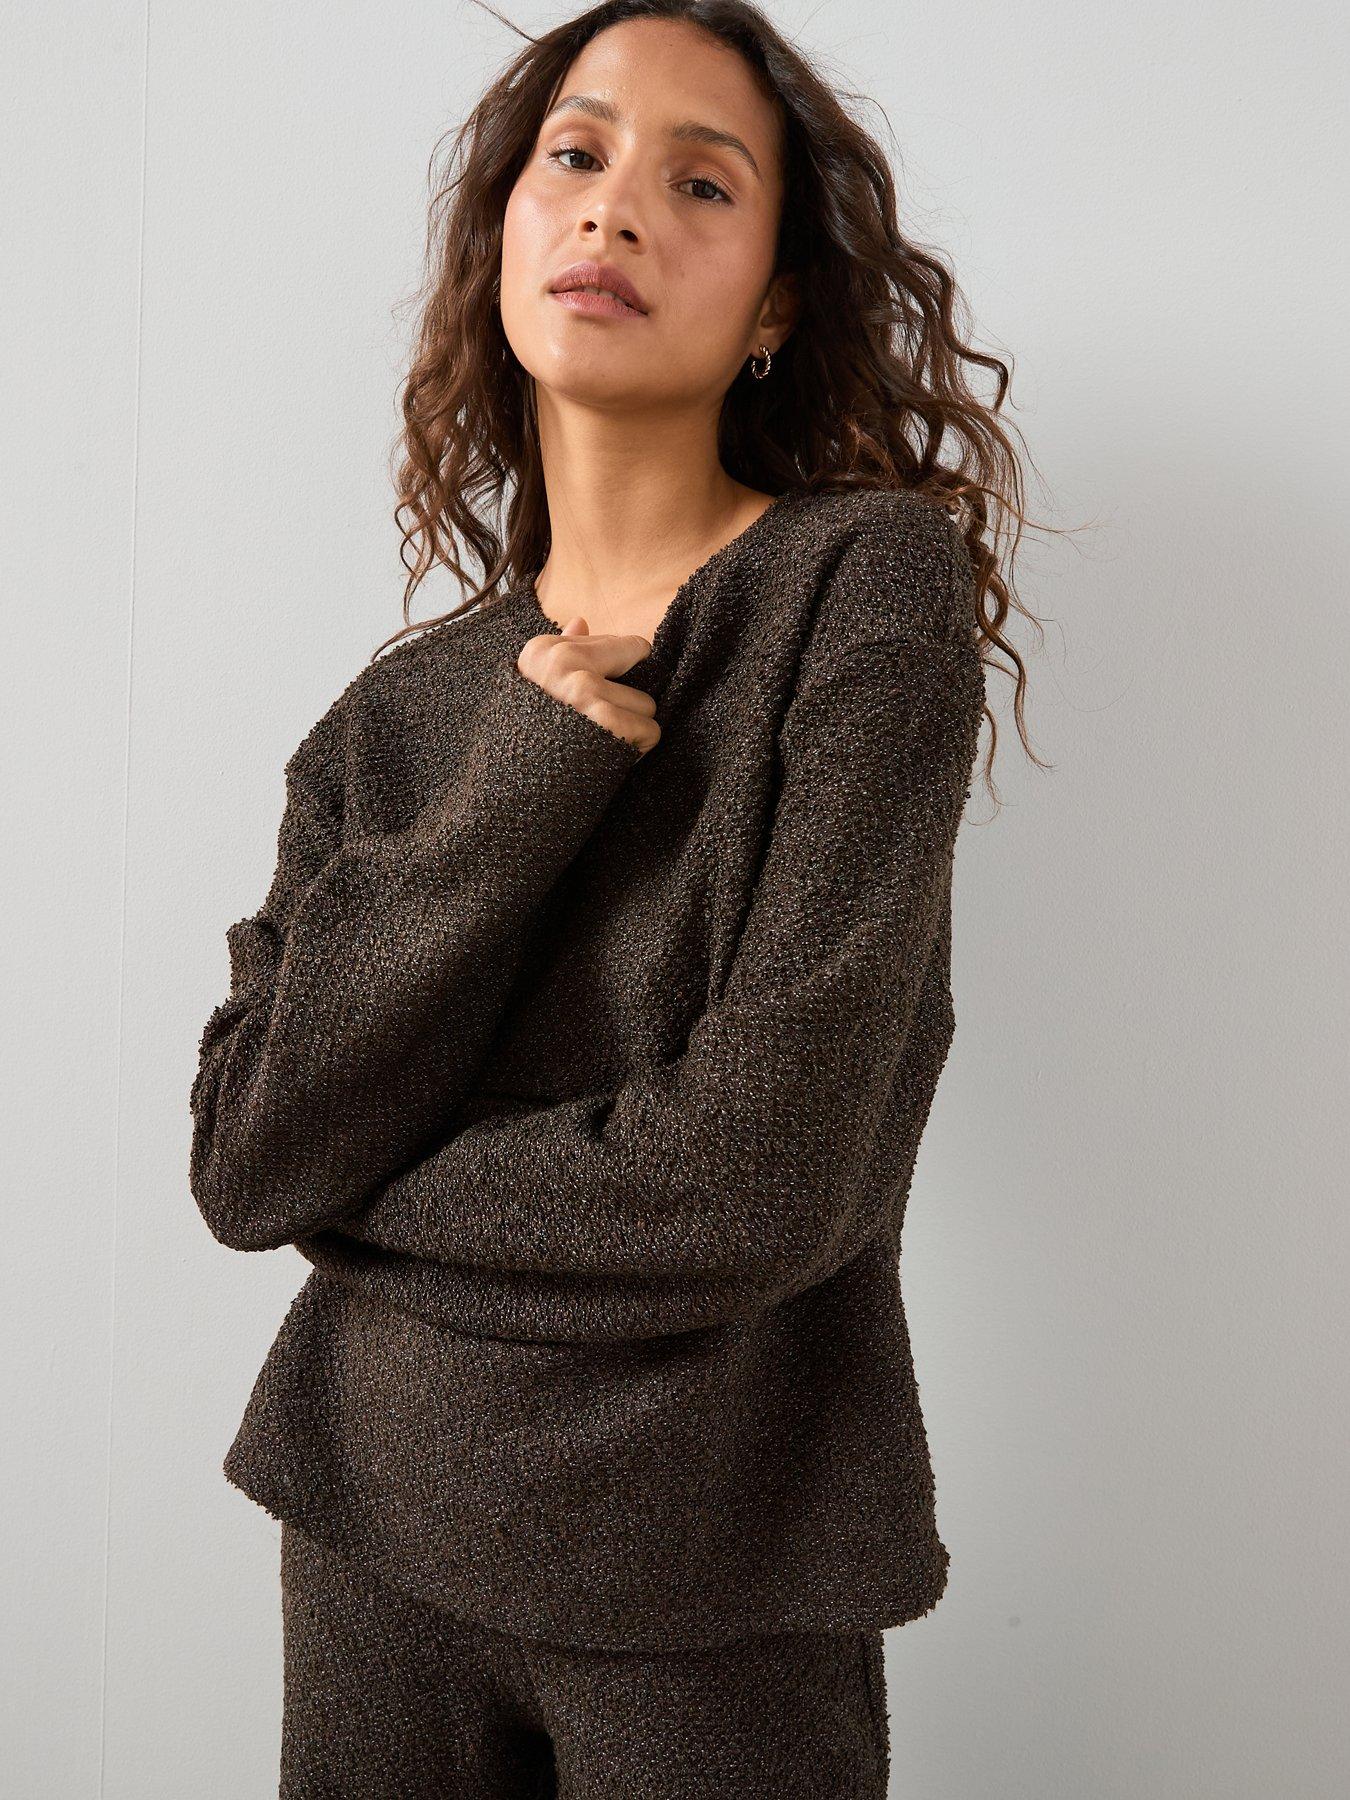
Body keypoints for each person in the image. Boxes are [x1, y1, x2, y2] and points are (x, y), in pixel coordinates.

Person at [187, 3, 1044, 1794]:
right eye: (572, 155)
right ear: (502, 230)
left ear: (776, 304)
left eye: (700, 182)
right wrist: (520, 787)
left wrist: (364, 1190)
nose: (614, 207)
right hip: (362, 1525)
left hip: (712, 1557)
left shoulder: (858, 589)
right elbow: (250, 1160)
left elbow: (752, 1184)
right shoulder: (393, 718)